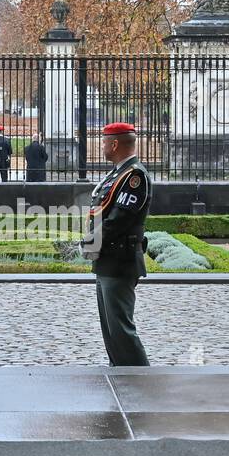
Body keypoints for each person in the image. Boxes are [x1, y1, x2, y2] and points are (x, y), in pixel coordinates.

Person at [84, 122, 151, 366]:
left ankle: (141, 377)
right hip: (107, 259)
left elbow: (120, 218)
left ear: (114, 144)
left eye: (104, 141)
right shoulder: (116, 174)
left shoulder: (134, 176)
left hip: (120, 259)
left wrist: (92, 240)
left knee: (121, 329)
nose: (102, 146)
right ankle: (120, 371)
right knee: (111, 331)